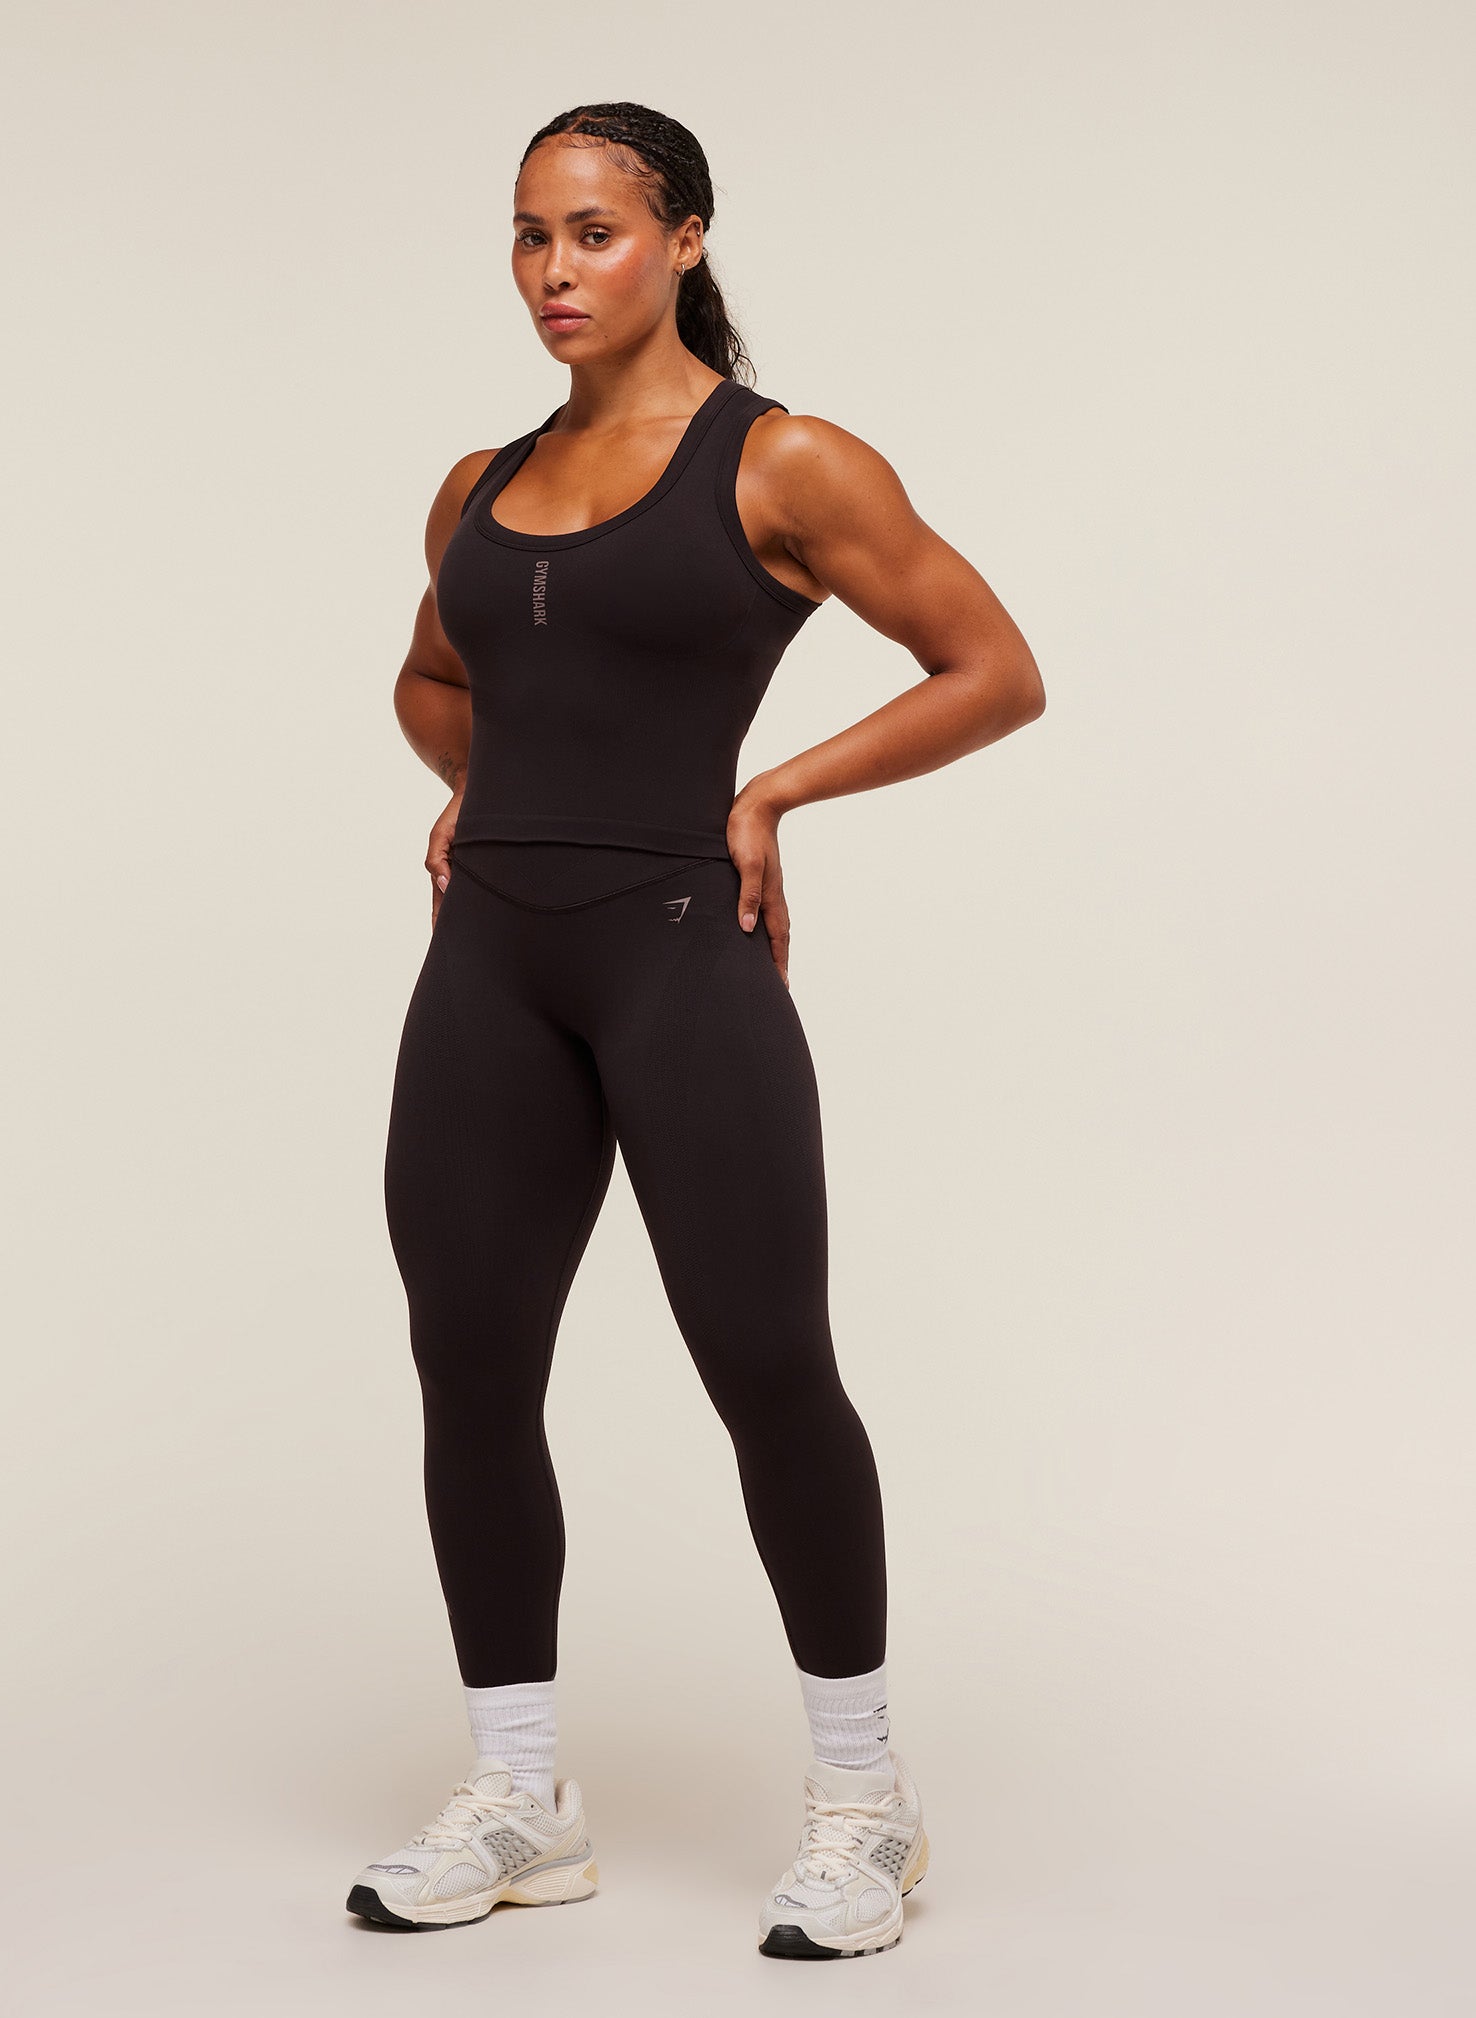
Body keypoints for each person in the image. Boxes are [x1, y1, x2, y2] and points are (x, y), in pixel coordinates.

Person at [347, 101, 1045, 1960]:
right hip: (489, 966)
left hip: (680, 958)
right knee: (469, 1366)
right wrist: (478, 783)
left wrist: (774, 792)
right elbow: (433, 674)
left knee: (767, 1366)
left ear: (686, 239)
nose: (553, 270)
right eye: (528, 235)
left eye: (592, 231)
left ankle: (865, 1802)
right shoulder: (478, 483)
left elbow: (994, 669)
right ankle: (520, 1795)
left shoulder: (786, 460)